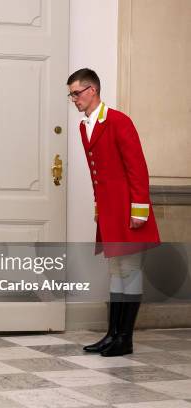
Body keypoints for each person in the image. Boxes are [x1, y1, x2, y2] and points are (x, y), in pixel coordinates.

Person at [67, 68, 160, 357]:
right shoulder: (85, 127)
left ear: (92, 90)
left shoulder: (119, 121)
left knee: (130, 270)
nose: (73, 99)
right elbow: (99, 176)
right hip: (109, 211)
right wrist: (99, 208)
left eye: (76, 93)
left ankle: (125, 339)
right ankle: (112, 334)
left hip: (130, 210)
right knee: (116, 271)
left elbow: (137, 168)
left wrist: (140, 210)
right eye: (70, 94)